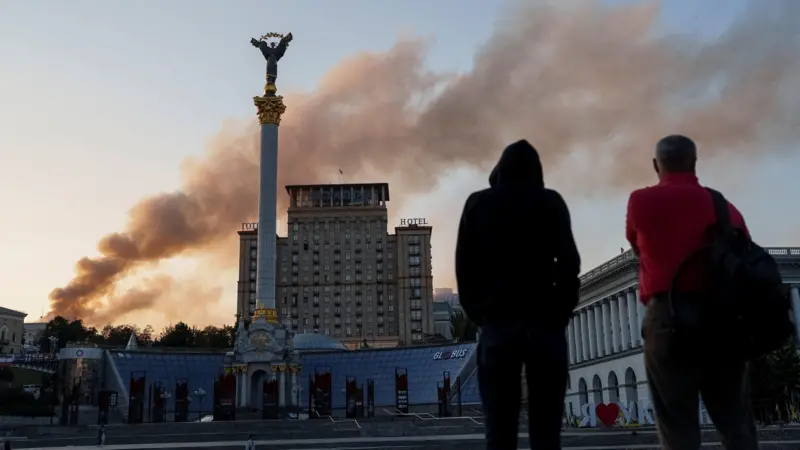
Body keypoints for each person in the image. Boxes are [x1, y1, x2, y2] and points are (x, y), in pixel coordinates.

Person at [626, 135, 758, 449]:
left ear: (656, 165)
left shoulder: (640, 202)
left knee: (677, 428)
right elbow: (746, 253)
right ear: (695, 162)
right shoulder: (724, 207)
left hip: (667, 321)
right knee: (736, 423)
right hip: (722, 322)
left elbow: (636, 247)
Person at [456, 139, 581, 450]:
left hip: (498, 327)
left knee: (499, 432)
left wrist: (482, 316)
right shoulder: (551, 203)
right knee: (547, 431)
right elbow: (570, 264)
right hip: (545, 328)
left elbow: (464, 270)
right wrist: (560, 315)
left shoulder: (477, 204)